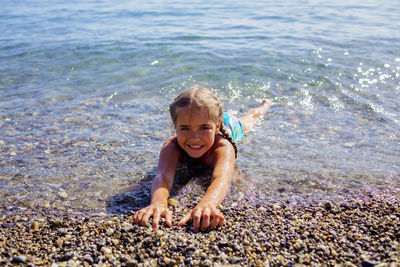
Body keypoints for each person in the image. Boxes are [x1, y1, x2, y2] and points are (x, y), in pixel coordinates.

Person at [133, 85, 273, 232]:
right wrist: (158, 203)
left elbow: (221, 178)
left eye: (204, 128)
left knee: (248, 121)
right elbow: (163, 176)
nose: (194, 139)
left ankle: (264, 106)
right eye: (185, 128)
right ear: (175, 127)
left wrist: (208, 203)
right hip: (213, 118)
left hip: (231, 126)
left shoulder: (223, 147)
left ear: (217, 126)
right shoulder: (171, 146)